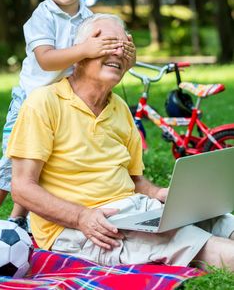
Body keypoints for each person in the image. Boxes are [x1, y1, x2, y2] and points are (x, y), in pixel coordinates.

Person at [7, 14, 234, 270]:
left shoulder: (120, 108)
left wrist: (159, 194)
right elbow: (22, 188)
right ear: (80, 52)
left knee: (223, 221)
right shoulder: (43, 103)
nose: (118, 51)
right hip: (84, 228)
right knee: (190, 241)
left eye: (124, 46)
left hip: (135, 211)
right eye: (108, 43)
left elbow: (135, 180)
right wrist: (81, 216)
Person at [0, 0, 136, 230]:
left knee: (45, 161)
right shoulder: (42, 17)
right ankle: (8, 219)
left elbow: (103, 59)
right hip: (30, 100)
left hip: (65, 103)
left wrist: (126, 55)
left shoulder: (90, 18)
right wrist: (87, 47)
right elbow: (47, 60)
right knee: (11, 165)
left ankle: (18, 221)